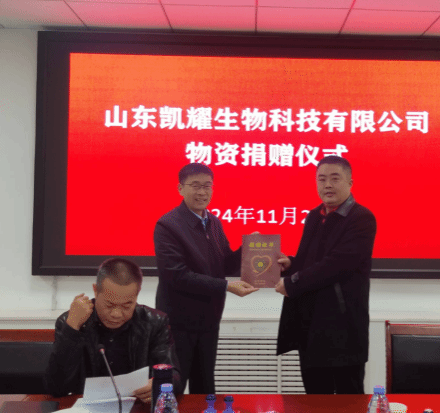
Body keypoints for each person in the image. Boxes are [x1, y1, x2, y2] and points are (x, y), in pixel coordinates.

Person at [275, 155, 377, 394]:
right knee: (315, 399)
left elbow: (338, 264)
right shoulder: (314, 216)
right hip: (310, 326)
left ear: (350, 182)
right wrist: (291, 264)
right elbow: (311, 260)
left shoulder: (361, 218)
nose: (327, 185)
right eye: (321, 179)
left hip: (342, 327)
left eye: (334, 178)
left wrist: (292, 282)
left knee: (348, 401)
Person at [154, 163, 259, 394]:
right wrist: (226, 286)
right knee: (173, 388)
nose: (202, 192)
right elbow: (177, 275)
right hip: (178, 324)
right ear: (180, 188)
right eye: (195, 186)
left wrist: (248, 248)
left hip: (208, 321)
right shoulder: (167, 225)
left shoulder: (214, 222)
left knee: (205, 388)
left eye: (207, 186)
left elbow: (225, 264)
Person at [45, 258, 179, 402]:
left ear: (137, 294)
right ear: (96, 291)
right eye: (109, 305)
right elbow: (55, 388)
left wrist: (160, 384)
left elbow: (174, 376)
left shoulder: (155, 322)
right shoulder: (72, 321)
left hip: (137, 406)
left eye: (127, 306)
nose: (116, 314)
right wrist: (72, 328)